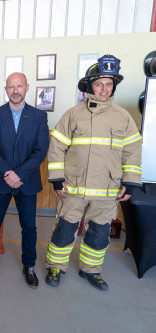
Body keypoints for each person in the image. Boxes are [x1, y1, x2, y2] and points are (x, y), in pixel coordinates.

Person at [45, 55, 142, 291]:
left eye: (109, 84)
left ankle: (91, 270)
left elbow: (132, 150)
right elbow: (57, 146)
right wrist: (57, 180)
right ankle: (55, 266)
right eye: (99, 84)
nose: (104, 89)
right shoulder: (73, 114)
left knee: (99, 234)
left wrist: (130, 182)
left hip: (106, 190)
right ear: (90, 86)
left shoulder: (123, 117)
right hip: (73, 188)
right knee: (65, 229)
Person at [0, 72, 49, 288]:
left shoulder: (38, 117)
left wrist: (19, 174)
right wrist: (8, 172)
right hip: (1, 180)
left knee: (29, 226)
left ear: (27, 87)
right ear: (6, 89)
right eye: (11, 86)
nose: (15, 90)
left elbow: (40, 150)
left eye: (19, 86)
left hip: (27, 182)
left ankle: (29, 265)